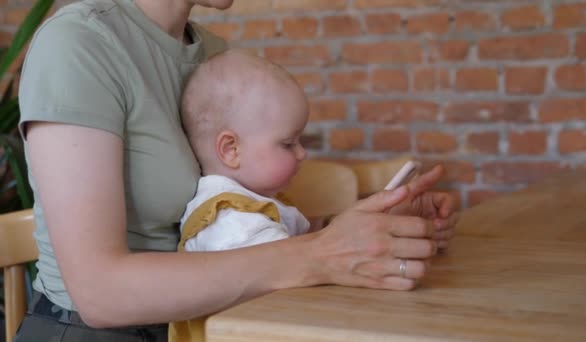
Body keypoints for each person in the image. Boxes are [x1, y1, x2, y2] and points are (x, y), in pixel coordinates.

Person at [15, 0, 459, 341]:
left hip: (207, 321)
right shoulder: (79, 46)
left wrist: (377, 228)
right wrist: (321, 253)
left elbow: (238, 218)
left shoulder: (213, 55)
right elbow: (99, 293)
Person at [178, 49, 311, 255]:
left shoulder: (248, 203)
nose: (302, 153)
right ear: (231, 150)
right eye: (288, 143)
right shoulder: (232, 221)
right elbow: (291, 266)